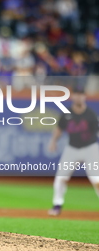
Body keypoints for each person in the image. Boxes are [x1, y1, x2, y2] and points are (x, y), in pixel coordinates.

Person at [48, 84, 99, 216]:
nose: (79, 97)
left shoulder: (91, 114)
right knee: (60, 178)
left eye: (81, 94)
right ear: (73, 96)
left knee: (97, 180)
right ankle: (57, 204)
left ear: (84, 97)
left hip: (90, 148)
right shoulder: (67, 113)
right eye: (76, 94)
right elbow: (59, 128)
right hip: (72, 148)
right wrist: (53, 141)